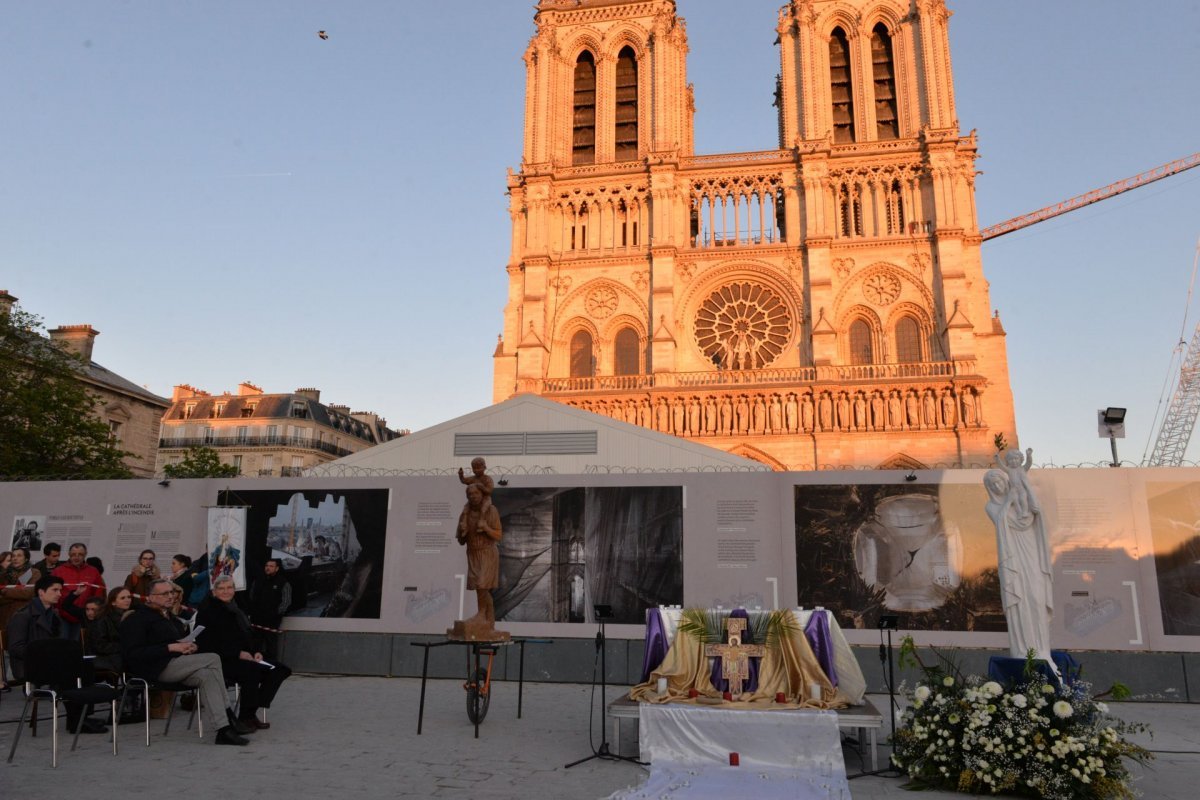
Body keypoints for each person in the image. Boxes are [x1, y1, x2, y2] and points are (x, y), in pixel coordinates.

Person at [120, 578, 253, 745]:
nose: (170, 596)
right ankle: (229, 713)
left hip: (178, 663)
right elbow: (133, 653)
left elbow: (178, 642)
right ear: (150, 597)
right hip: (155, 669)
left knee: (207, 675)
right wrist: (170, 648)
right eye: (165, 593)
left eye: (172, 592)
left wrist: (189, 646)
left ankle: (223, 729)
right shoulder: (137, 619)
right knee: (213, 657)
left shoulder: (170, 617)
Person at [6, 575, 107, 734]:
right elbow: (16, 648)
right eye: (55, 590)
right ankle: (76, 721)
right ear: (41, 592)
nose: (59, 594)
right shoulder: (23, 616)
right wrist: (45, 654)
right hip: (30, 666)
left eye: (60, 590)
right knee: (71, 672)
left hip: (49, 663)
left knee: (85, 667)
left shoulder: (54, 615)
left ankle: (81, 717)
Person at [984, 468, 1058, 678]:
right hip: (1013, 558)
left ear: (1006, 481)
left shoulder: (1022, 501)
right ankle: (1022, 649)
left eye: (1000, 482)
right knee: (1020, 602)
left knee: (1036, 597)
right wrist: (1009, 498)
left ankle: (1041, 649)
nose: (998, 486)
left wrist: (1022, 487)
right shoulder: (992, 506)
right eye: (993, 485)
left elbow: (1036, 512)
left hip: (1031, 555)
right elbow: (1000, 520)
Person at [196, 575, 291, 730]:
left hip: (247, 657)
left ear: (234, 589)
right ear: (214, 592)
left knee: (280, 669)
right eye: (221, 588)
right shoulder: (207, 612)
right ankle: (246, 717)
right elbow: (206, 643)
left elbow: (250, 635)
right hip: (223, 661)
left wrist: (257, 651)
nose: (226, 591)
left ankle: (250, 712)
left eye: (229, 588)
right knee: (251, 671)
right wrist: (237, 653)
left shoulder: (238, 609)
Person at [455, 484, 503, 628]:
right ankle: (489, 621)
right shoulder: (465, 514)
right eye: (470, 494)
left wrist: (486, 528)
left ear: (482, 494)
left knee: (482, 584)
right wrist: (463, 533)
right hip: (473, 552)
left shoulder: (491, 510)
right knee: (480, 587)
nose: (473, 496)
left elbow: (499, 535)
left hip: (487, 552)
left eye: (475, 493)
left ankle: (481, 615)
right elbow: (461, 541)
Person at [51, 542, 105, 643]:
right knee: (62, 644)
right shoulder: (59, 571)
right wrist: (55, 608)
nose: (76, 557)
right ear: (69, 554)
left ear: (85, 554)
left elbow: (99, 593)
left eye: (80, 554)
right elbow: (52, 591)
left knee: (79, 646)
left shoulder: (93, 571)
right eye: (73, 554)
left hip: (84, 616)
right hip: (63, 615)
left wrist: (96, 611)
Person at [247, 558, 291, 660]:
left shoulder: (283, 582)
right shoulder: (258, 581)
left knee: (271, 645)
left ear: (277, 568)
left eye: (271, 566)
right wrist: (253, 611)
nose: (268, 568)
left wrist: (276, 613)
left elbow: (286, 601)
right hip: (257, 618)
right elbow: (251, 596)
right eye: (267, 566)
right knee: (255, 644)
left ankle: (272, 666)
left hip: (272, 620)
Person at [84, 586, 133, 674]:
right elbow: (99, 646)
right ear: (113, 602)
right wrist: (124, 647)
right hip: (103, 657)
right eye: (123, 598)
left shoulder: (129, 616)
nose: (127, 600)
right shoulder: (102, 619)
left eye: (129, 597)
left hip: (118, 655)